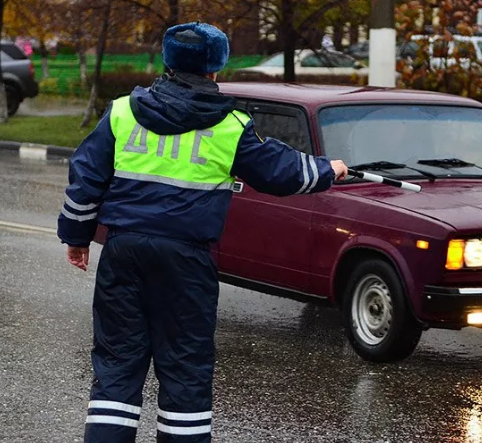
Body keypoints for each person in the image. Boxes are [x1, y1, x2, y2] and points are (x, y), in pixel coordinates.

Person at [56, 22, 348, 443]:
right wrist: (328, 170)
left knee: (117, 366)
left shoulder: (121, 112)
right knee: (184, 368)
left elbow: (84, 179)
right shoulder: (229, 126)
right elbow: (279, 172)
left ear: (167, 61)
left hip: (124, 251)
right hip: (186, 261)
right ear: (216, 69)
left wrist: (77, 237)